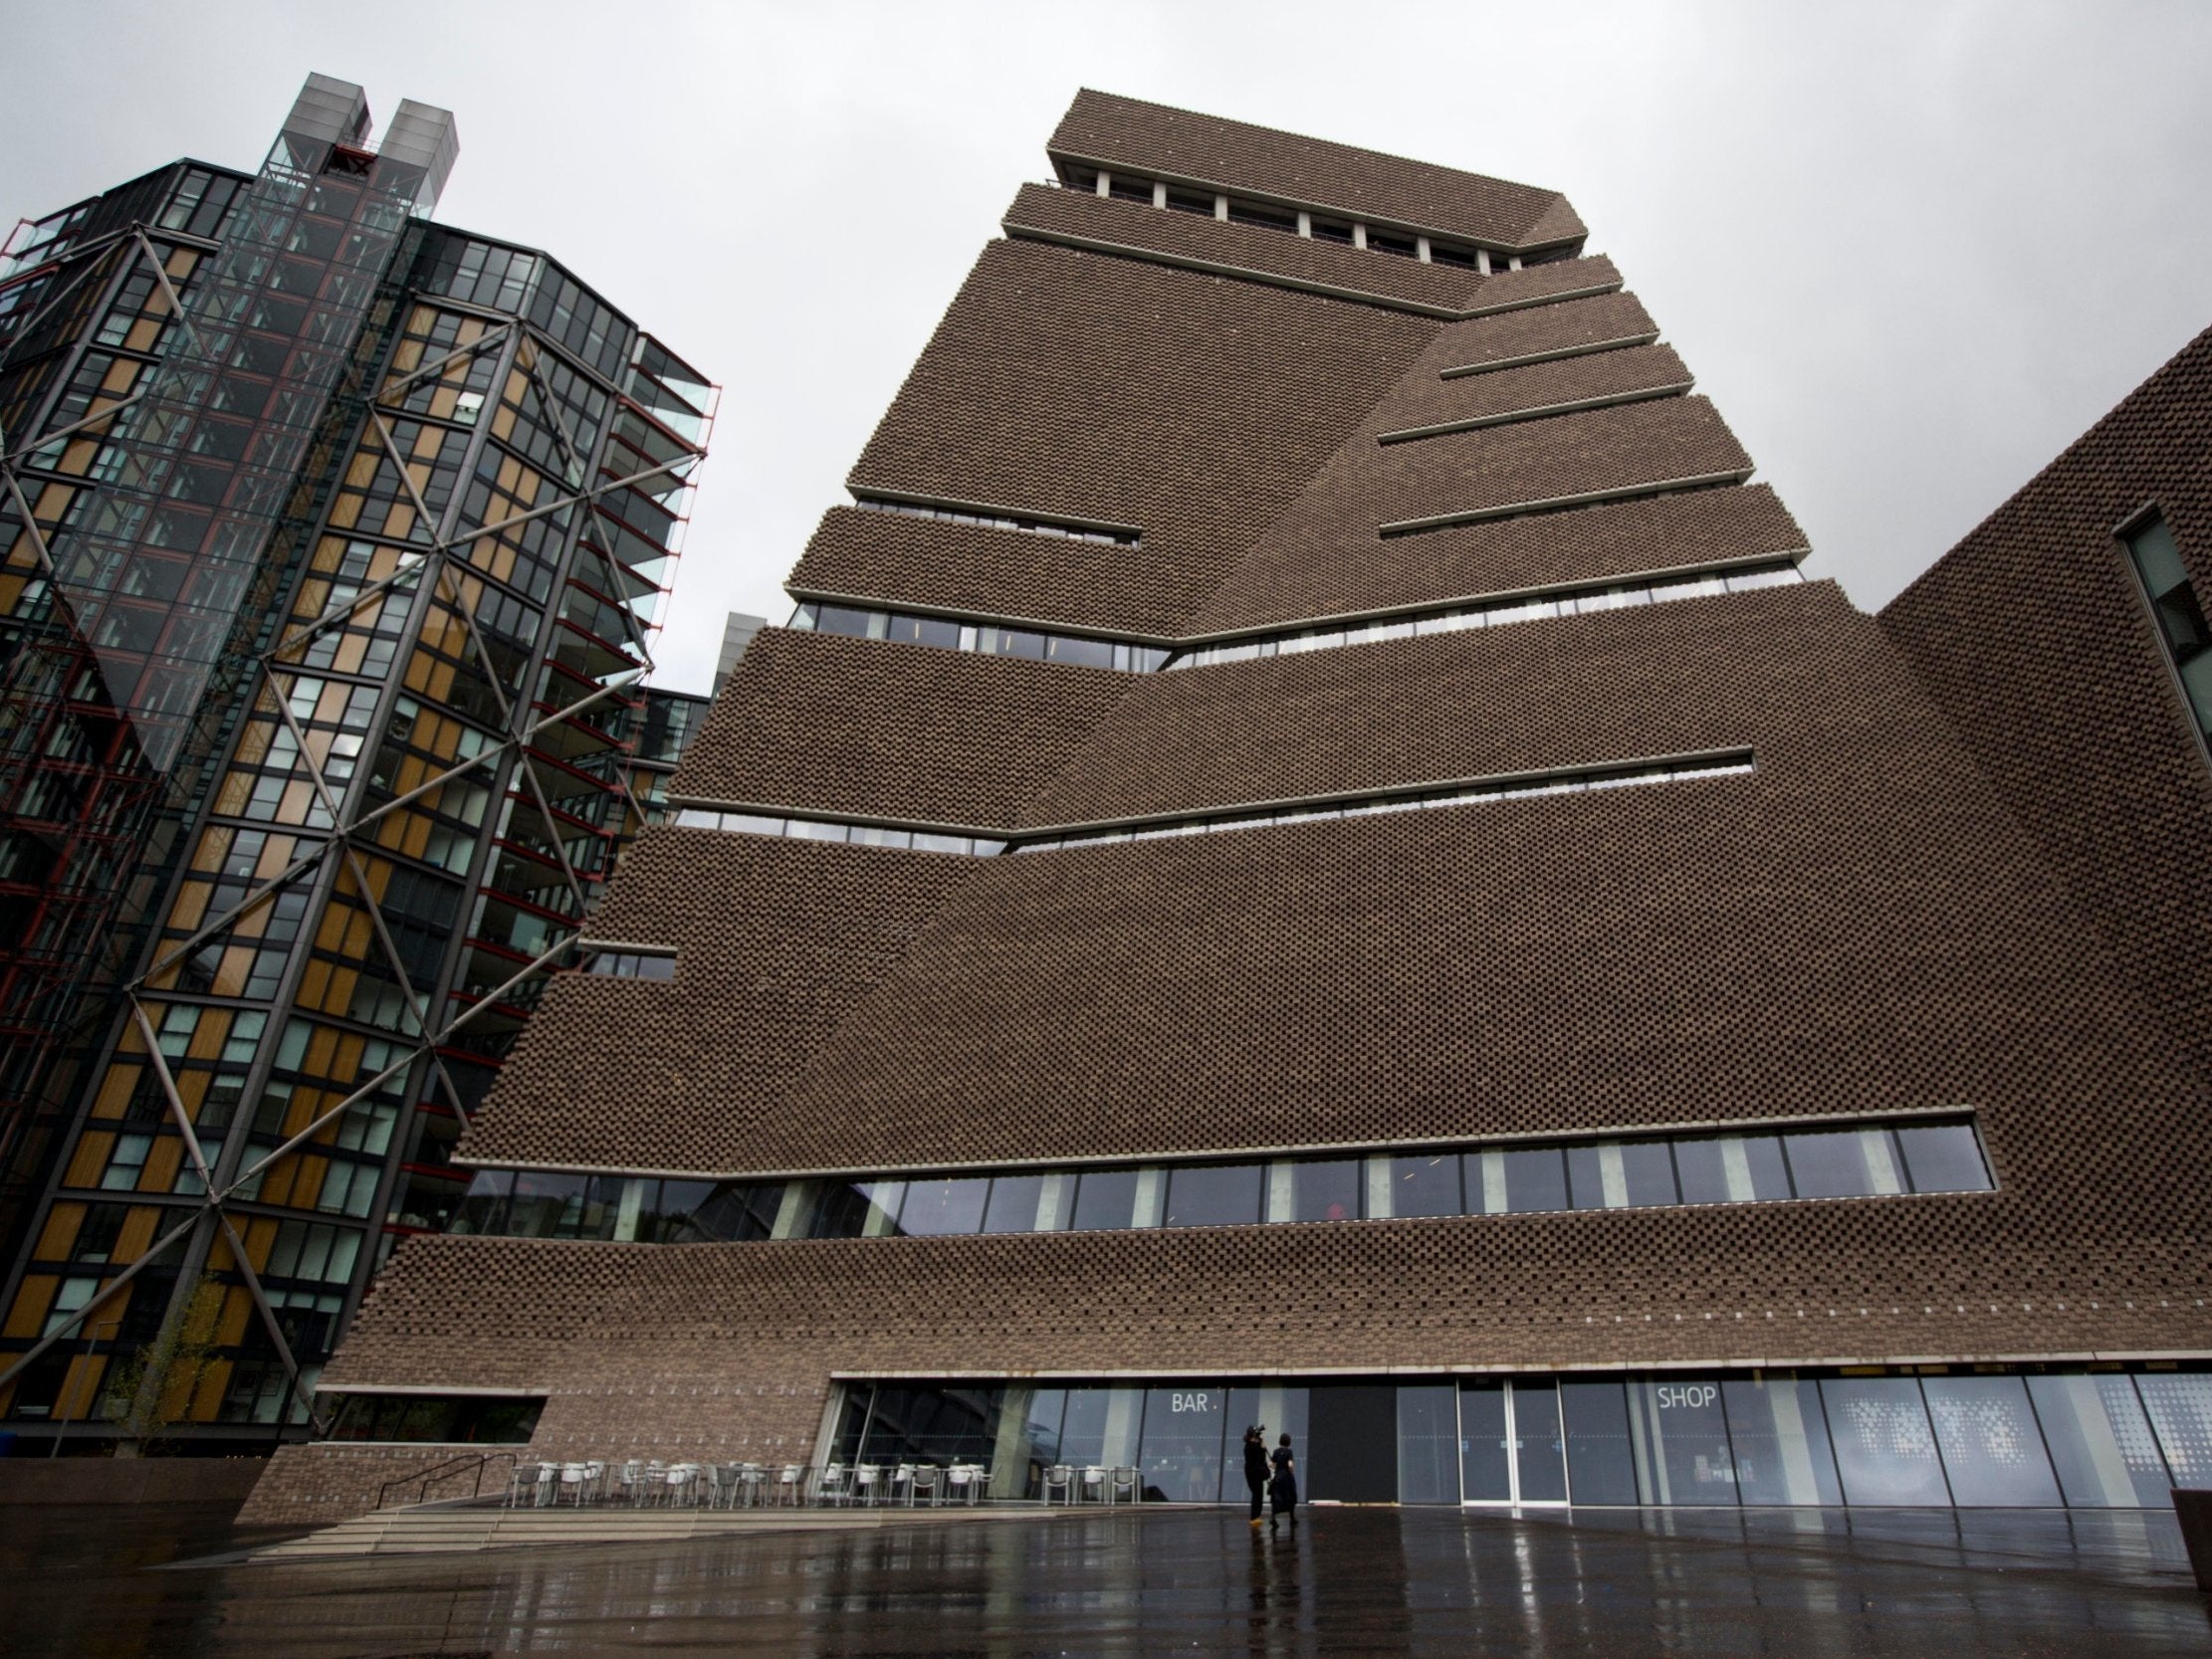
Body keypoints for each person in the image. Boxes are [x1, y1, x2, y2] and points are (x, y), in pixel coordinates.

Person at [1240, 1425, 1270, 1527]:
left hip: (1252, 1472)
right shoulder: (1251, 1447)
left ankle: (1256, 1516)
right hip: (1254, 1473)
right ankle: (1254, 1517)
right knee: (1257, 1494)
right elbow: (1260, 1458)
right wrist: (1262, 1447)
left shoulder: (1249, 1446)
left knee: (1257, 1494)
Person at [1268, 1432, 1298, 1531]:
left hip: (1278, 1477)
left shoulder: (1276, 1451)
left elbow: (1271, 1464)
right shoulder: (1289, 1452)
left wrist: (1277, 1467)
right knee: (1290, 1496)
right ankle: (1292, 1517)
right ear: (1288, 1442)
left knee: (1276, 1497)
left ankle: (1273, 1517)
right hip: (1287, 1477)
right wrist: (1291, 1471)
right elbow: (1290, 1464)